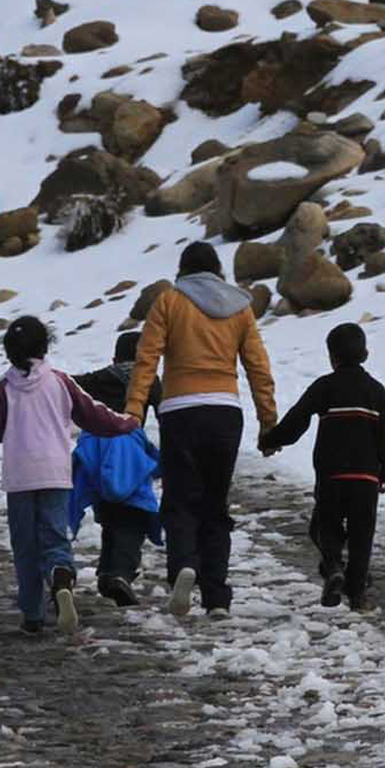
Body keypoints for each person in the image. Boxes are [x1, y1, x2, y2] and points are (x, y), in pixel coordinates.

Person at [123, 242, 279, 619]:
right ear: (217, 270)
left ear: (183, 270)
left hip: (180, 412)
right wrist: (268, 421)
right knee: (215, 503)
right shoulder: (241, 307)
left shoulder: (168, 302)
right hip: (225, 412)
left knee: (179, 500)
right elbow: (258, 366)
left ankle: (183, 570)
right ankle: (217, 597)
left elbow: (146, 360)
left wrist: (134, 412)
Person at [0, 316, 139, 635]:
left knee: (25, 545)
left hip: (20, 476)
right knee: (55, 535)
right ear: (46, 345)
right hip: (55, 471)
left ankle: (32, 614)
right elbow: (94, 415)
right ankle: (60, 576)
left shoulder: (4, 387)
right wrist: (128, 422)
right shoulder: (60, 381)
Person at [260, 322, 385, 611]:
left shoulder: (325, 386)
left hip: (332, 474)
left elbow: (298, 419)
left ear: (332, 357)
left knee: (324, 525)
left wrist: (271, 440)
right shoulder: (376, 391)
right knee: (362, 535)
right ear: (366, 353)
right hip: (366, 477)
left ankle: (333, 566)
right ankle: (357, 595)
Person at [70, 331, 163, 608]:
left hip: (94, 453)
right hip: (130, 453)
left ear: (115, 357)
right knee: (132, 514)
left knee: (109, 513)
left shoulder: (98, 379)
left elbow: (69, 390)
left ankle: (107, 573)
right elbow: (165, 413)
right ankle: (119, 573)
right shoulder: (150, 381)